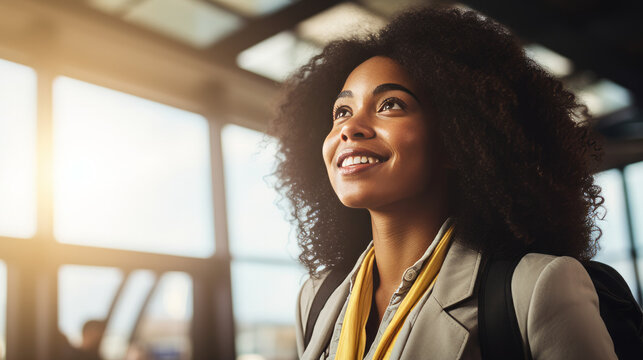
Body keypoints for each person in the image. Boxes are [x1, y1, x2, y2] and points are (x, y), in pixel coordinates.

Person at [269, 6, 617, 360]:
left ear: (457, 138)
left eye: (390, 104)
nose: (349, 128)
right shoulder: (315, 299)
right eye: (342, 111)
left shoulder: (536, 289)